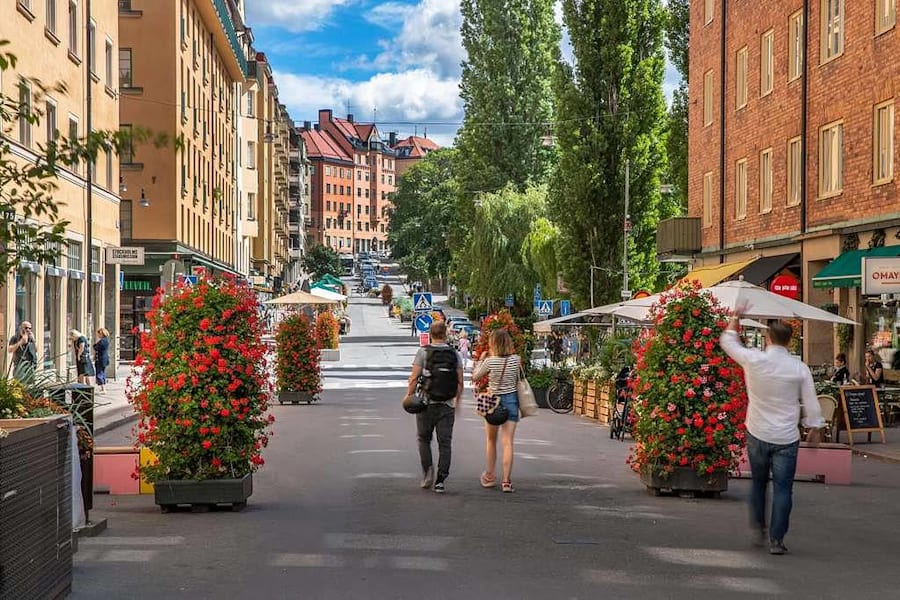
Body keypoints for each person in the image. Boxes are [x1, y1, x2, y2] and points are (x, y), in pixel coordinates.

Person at [720, 312, 824, 555]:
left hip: (757, 430)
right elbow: (810, 399)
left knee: (758, 484)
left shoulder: (754, 360)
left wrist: (735, 318)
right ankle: (777, 539)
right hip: (787, 437)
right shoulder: (799, 368)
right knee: (784, 488)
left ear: (767, 338)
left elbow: (728, 342)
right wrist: (815, 426)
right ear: (789, 341)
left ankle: (759, 527)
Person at [406, 321, 463, 493]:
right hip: (447, 405)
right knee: (445, 443)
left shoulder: (423, 352)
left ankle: (427, 471)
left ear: (430, 334)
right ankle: (440, 480)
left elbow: (414, 378)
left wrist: (409, 395)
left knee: (424, 439)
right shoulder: (454, 354)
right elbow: (460, 381)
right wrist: (457, 402)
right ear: (445, 334)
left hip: (426, 403)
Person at [472, 328, 522, 493]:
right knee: (508, 442)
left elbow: (476, 377)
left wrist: (480, 360)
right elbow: (519, 378)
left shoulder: (490, 361)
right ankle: (506, 481)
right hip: (512, 401)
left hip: (492, 402)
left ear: (493, 343)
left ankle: (490, 475)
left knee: (491, 440)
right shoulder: (516, 360)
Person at [93, 328, 111, 393]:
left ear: (102, 334)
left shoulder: (102, 341)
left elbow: (96, 347)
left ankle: (103, 388)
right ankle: (103, 388)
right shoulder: (106, 340)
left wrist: (95, 345)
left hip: (101, 359)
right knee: (102, 373)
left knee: (99, 373)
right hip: (104, 359)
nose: (98, 335)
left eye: (99, 334)